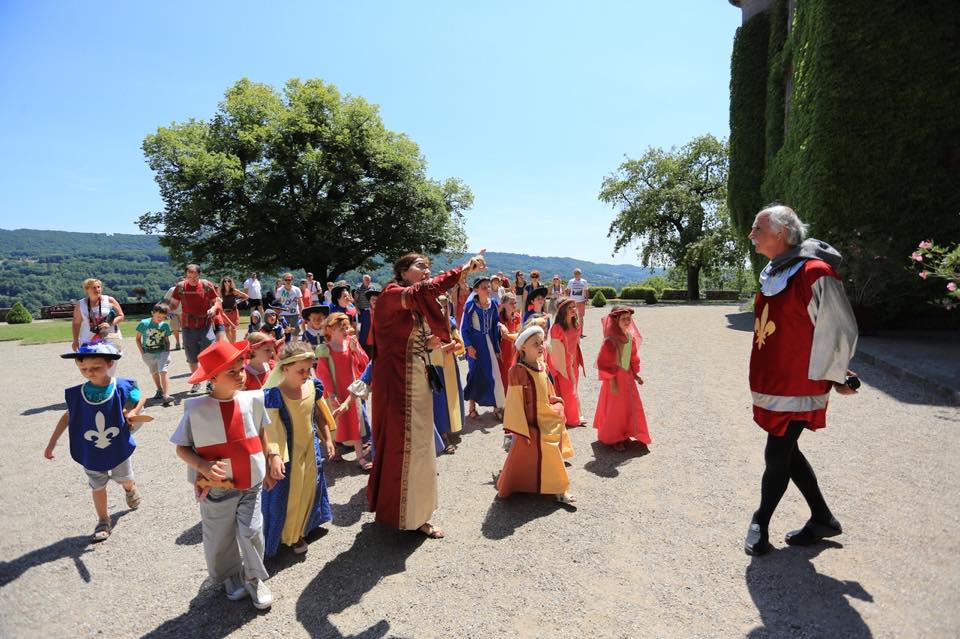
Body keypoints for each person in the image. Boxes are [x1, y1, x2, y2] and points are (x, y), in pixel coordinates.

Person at [743, 204, 859, 556]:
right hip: (773, 382)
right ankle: (823, 518)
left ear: (780, 233)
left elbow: (838, 327)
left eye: (757, 229)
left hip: (800, 382)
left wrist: (839, 373)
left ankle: (760, 522)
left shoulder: (814, 272)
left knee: (776, 451)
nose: (751, 235)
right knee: (787, 450)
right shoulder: (774, 271)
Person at [368, 251, 486, 539]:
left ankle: (416, 513)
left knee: (420, 445)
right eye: (420, 266)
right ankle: (403, 514)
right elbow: (425, 290)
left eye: (428, 267)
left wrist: (438, 340)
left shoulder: (413, 304)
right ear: (403, 271)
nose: (426, 271)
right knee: (403, 445)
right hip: (396, 383)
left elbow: (424, 333)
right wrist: (463, 268)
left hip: (416, 379)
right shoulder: (391, 295)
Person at [170, 340, 273, 609]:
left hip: (251, 482)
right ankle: (230, 576)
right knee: (220, 537)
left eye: (241, 369)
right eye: (232, 372)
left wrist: (271, 458)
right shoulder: (196, 408)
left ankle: (253, 577)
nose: (241, 376)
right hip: (217, 487)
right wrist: (202, 468)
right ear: (212, 377)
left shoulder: (253, 399)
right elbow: (182, 447)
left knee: (252, 531)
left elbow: (262, 433)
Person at [44, 342, 145, 542]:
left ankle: (129, 488)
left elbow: (141, 398)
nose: (89, 372)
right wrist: (52, 443)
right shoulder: (77, 394)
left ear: (109, 364)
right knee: (97, 486)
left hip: (117, 447)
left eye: (95, 368)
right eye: (84, 369)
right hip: (91, 450)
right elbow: (67, 417)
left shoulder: (122, 386)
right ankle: (103, 520)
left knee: (123, 478)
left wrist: (132, 411)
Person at [262, 341, 336, 556]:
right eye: (300, 370)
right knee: (290, 494)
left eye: (309, 368)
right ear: (285, 368)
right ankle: (290, 537)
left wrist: (328, 439)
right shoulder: (275, 395)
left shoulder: (313, 386)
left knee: (309, 489)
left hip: (310, 450)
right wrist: (274, 456)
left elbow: (319, 414)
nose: (306, 374)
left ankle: (304, 527)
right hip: (288, 454)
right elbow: (271, 429)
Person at [495, 325, 575, 503]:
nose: (540, 346)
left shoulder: (541, 366)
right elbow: (514, 402)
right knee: (549, 445)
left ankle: (553, 482)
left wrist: (555, 401)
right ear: (523, 346)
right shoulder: (518, 371)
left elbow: (547, 391)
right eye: (535, 343)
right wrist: (521, 428)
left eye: (541, 342)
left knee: (556, 432)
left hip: (545, 414)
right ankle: (560, 490)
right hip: (532, 421)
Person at [315, 312, 372, 471]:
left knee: (355, 421)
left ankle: (360, 456)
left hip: (351, 389)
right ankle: (335, 450)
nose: (346, 330)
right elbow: (323, 374)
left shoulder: (351, 343)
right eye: (342, 328)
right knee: (335, 422)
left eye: (347, 327)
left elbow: (365, 364)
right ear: (330, 330)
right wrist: (331, 394)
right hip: (335, 390)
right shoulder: (325, 349)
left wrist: (356, 350)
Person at [594, 306, 649, 451]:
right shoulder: (610, 340)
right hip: (615, 378)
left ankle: (625, 433)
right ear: (616, 320)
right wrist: (612, 382)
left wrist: (635, 374)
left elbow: (632, 358)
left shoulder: (629, 337)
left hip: (628, 378)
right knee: (615, 409)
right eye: (623, 318)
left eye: (628, 318)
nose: (627, 321)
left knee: (627, 407)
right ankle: (613, 437)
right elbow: (604, 363)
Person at [168, 264, 222, 393]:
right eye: (189, 276)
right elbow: (174, 304)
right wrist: (165, 309)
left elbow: (217, 302)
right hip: (187, 326)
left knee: (208, 355)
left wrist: (213, 308)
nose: (191, 279)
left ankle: (211, 382)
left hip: (205, 324)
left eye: (194, 276)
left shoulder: (206, 285)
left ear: (199, 275)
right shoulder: (180, 287)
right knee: (191, 356)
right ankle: (196, 382)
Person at [462, 276, 505, 421]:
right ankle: (472, 407)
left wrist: (497, 348)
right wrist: (468, 346)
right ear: (476, 290)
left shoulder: (493, 305)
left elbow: (494, 327)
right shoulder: (471, 306)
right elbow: (465, 328)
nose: (487, 289)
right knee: (474, 374)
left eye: (488, 286)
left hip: (489, 344)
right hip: (475, 344)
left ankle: (497, 406)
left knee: (494, 374)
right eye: (483, 287)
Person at [430, 296, 466, 455]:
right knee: (439, 400)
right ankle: (442, 435)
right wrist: (442, 348)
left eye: (445, 305)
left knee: (452, 398)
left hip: (450, 366)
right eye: (439, 306)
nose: (442, 309)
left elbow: (460, 344)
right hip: (435, 366)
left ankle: (452, 427)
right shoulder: (427, 324)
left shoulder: (450, 322)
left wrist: (451, 346)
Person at [549, 299, 585, 427]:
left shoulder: (576, 324)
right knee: (568, 390)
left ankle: (571, 414)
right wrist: (562, 366)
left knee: (573, 388)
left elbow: (576, 344)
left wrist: (576, 359)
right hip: (562, 363)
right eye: (570, 307)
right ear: (563, 311)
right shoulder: (556, 328)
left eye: (574, 307)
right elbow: (556, 350)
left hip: (574, 361)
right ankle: (572, 419)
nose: (574, 309)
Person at [71, 278, 125, 352]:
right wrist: (75, 340)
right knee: (88, 362)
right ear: (87, 289)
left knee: (108, 362)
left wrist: (109, 323)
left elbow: (121, 316)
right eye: (94, 287)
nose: (97, 289)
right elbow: (76, 323)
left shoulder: (109, 300)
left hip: (109, 337)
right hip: (88, 339)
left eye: (99, 287)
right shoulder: (80, 304)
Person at [136, 303, 174, 406]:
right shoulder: (144, 324)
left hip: (162, 352)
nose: (160, 319)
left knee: (163, 371)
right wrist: (142, 353)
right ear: (152, 313)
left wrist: (167, 352)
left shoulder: (165, 326)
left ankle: (166, 395)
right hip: (148, 353)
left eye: (163, 317)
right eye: (158, 316)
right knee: (154, 372)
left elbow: (167, 340)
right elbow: (138, 339)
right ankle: (159, 389)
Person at [498, 292, 521, 390]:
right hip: (502, 351)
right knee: (503, 377)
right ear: (503, 305)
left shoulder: (517, 317)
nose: (514, 305)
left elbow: (519, 333)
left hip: (514, 350)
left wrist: (509, 336)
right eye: (511, 303)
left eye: (515, 303)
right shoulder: (498, 318)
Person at [275, 273, 304, 341]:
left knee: (295, 332)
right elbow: (277, 303)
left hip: (294, 314)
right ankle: (284, 348)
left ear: (292, 280)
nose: (288, 281)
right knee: (284, 331)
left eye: (289, 280)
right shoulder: (279, 290)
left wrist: (301, 313)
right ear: (283, 280)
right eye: (286, 279)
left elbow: (300, 303)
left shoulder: (296, 289)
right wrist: (277, 314)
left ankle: (294, 347)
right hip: (283, 314)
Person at [219, 276, 248, 343]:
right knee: (226, 329)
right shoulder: (221, 291)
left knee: (233, 329)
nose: (227, 282)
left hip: (233, 312)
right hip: (225, 313)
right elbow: (217, 298)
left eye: (228, 281)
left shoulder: (234, 290)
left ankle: (233, 344)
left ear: (231, 282)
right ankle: (232, 343)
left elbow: (246, 296)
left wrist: (238, 301)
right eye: (225, 281)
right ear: (223, 283)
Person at [565, 269, 589, 337]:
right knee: (571, 317)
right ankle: (572, 331)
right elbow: (568, 290)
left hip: (581, 301)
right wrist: (567, 299)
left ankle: (580, 333)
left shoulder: (584, 281)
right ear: (574, 274)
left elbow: (586, 291)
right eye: (575, 273)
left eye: (578, 273)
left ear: (580, 274)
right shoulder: (571, 281)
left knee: (581, 317)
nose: (577, 274)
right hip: (572, 302)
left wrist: (587, 299)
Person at [357, 289, 379, 358]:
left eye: (377, 299)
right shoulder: (365, 312)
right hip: (366, 344)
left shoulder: (383, 313)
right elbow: (361, 327)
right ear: (369, 301)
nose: (375, 301)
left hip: (378, 344)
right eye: (373, 299)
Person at [163, 284, 183, 350]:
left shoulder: (187, 289)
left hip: (183, 312)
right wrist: (167, 311)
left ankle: (184, 343)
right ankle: (177, 342)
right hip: (173, 312)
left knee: (185, 328)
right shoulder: (172, 289)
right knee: (174, 328)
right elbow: (166, 300)